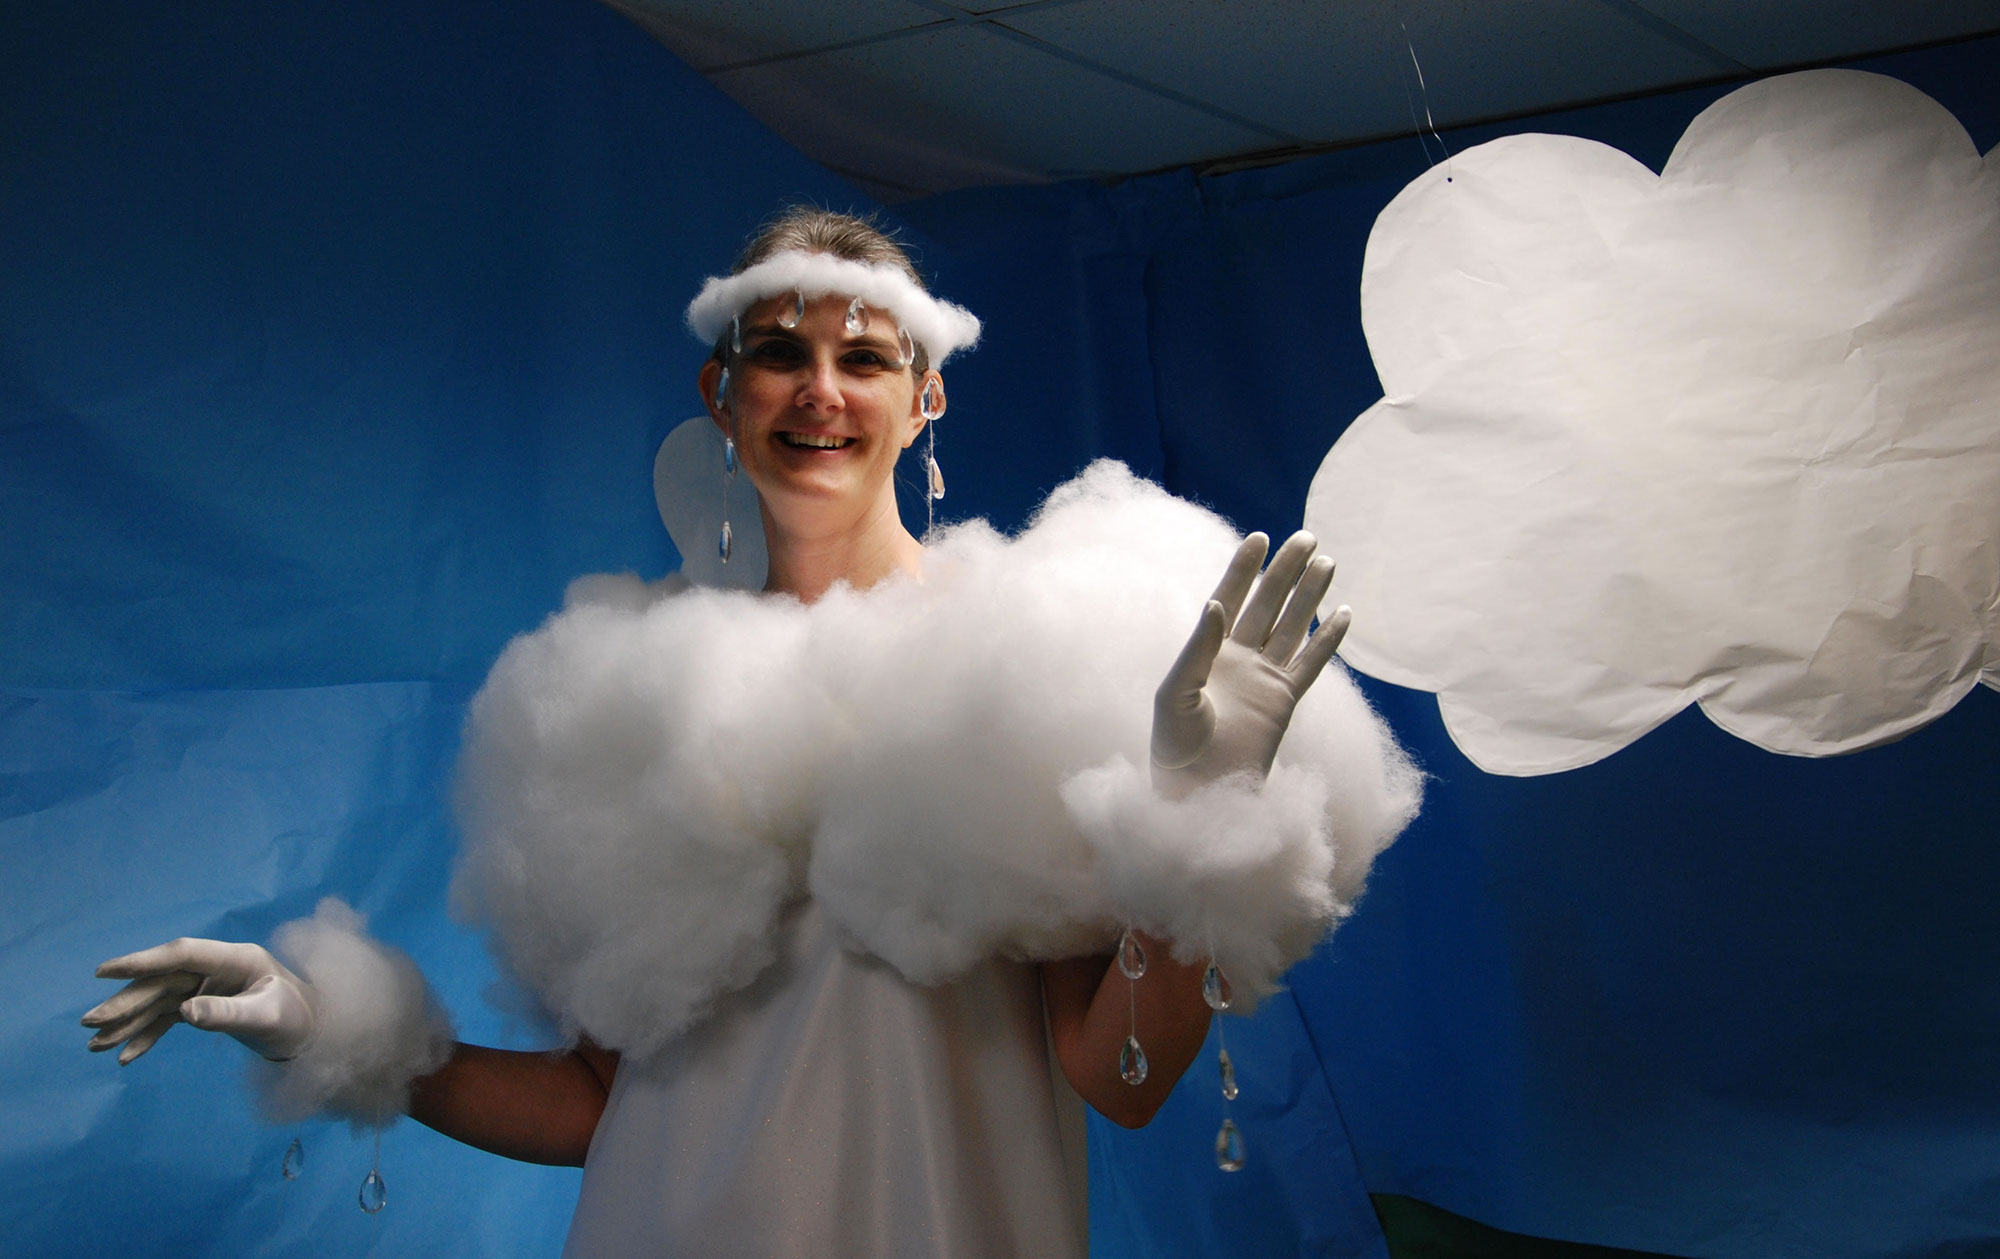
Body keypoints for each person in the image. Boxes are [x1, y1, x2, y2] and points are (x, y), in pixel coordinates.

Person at [82, 208, 1398, 1256]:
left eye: (866, 355)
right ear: (724, 392)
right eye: (780, 351)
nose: (818, 389)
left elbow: (1114, 1078)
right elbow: (600, 1108)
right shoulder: (618, 703)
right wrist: (327, 1025)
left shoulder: (1030, 665)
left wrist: (1198, 826)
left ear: (924, 398)